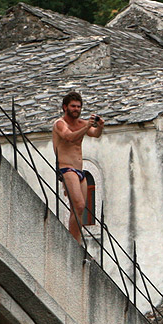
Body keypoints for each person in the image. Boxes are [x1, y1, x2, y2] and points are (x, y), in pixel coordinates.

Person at [52, 91, 103, 243]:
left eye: (79, 107)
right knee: (79, 205)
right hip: (66, 168)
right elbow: (69, 136)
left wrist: (100, 126)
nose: (76, 109)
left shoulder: (81, 123)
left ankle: (75, 241)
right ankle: (73, 242)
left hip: (80, 170)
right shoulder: (60, 124)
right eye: (73, 106)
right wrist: (87, 126)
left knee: (80, 209)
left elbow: (95, 134)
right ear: (65, 107)